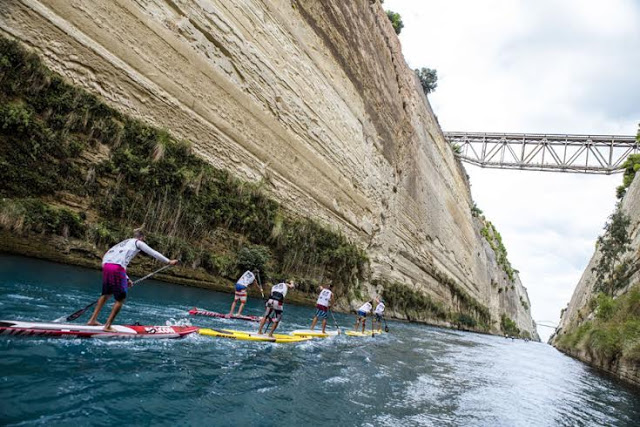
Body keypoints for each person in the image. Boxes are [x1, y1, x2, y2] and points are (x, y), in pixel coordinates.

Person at [87, 228, 178, 331]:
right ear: (142, 238)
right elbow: (153, 253)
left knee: (106, 294)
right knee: (120, 299)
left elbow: (112, 258)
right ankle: (107, 326)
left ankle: (92, 320)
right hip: (117, 268)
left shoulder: (123, 243)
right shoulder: (137, 242)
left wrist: (126, 278)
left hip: (106, 266)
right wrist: (168, 261)